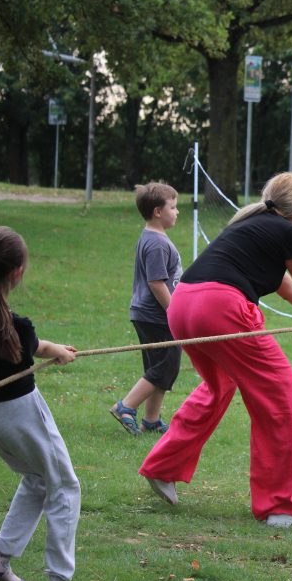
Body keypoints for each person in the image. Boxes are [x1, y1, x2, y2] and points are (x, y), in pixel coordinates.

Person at [138, 172, 292, 530]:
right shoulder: (289, 232)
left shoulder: (249, 225)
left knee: (218, 385)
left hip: (183, 305)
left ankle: (163, 467)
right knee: (281, 396)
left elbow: (287, 288)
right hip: (220, 308)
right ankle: (280, 507)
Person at [0, 227, 85, 581]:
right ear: (18, 273)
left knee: (39, 479)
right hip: (22, 414)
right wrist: (56, 351)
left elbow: (36, 347)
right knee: (64, 486)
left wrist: (58, 351)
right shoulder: (16, 327)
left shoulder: (5, 326)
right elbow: (30, 344)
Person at [110, 182, 183, 436]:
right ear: (157, 212)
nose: (177, 212)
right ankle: (126, 406)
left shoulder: (151, 237)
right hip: (156, 315)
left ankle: (151, 420)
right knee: (166, 365)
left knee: (158, 366)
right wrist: (173, 311)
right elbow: (156, 282)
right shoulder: (157, 244)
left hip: (148, 314)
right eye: (173, 207)